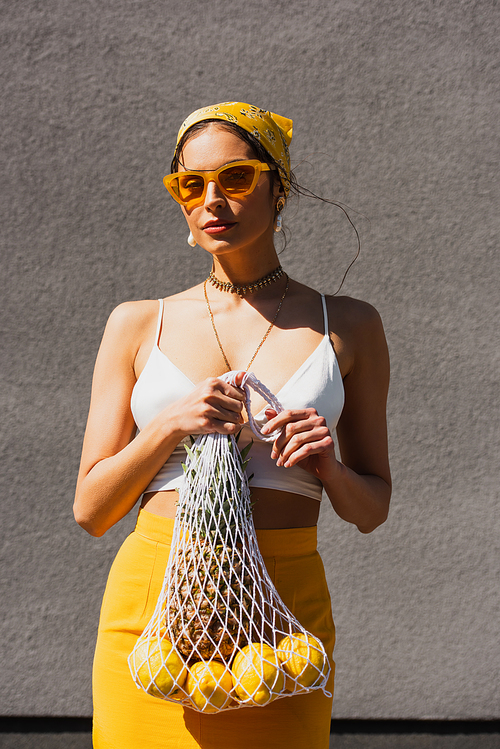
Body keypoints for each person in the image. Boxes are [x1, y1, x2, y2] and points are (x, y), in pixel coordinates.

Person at [74, 101, 391, 749]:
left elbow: (371, 507)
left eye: (237, 177)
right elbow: (92, 508)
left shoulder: (350, 324)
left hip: (283, 621)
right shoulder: (137, 323)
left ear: (280, 187)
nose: (212, 198)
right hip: (155, 609)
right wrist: (167, 427)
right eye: (191, 184)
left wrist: (328, 465)